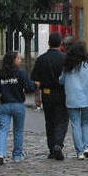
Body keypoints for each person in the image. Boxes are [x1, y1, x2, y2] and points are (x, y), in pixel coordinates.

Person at [0, 51, 37, 165]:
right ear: (13, 60)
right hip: (18, 105)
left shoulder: (0, 74)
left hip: (4, 105)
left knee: (3, 130)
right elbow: (29, 87)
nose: (20, 60)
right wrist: (35, 85)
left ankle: (1, 153)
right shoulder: (20, 73)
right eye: (19, 58)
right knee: (18, 131)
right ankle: (17, 155)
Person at [30, 32, 68, 160]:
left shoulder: (41, 59)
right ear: (60, 44)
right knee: (62, 120)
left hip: (46, 94)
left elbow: (36, 81)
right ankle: (58, 143)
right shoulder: (65, 58)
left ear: (48, 43)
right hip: (62, 93)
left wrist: (37, 97)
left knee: (50, 121)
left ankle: (52, 148)